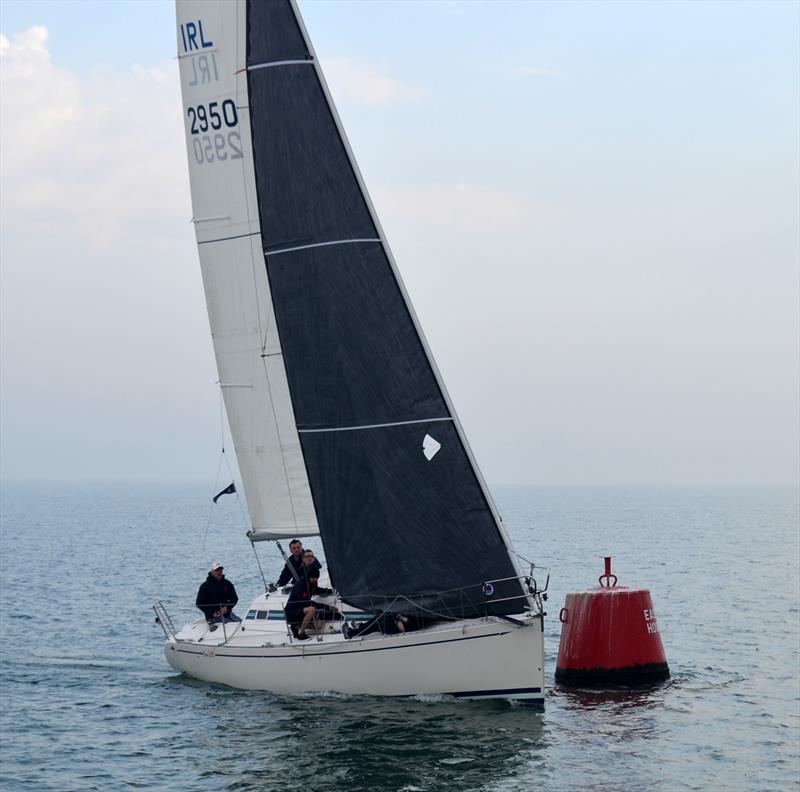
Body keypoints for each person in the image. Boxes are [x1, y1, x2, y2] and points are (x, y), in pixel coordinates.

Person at [284, 568, 333, 640]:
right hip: (292, 612)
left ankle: (296, 626)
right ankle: (301, 634)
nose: (314, 580)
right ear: (309, 577)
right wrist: (326, 607)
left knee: (319, 625)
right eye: (313, 578)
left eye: (316, 578)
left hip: (301, 611)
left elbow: (317, 590)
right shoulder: (301, 585)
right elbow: (306, 602)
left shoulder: (312, 583)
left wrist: (328, 591)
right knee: (312, 609)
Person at [196, 562, 240, 631]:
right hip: (213, 617)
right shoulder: (205, 586)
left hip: (228, 614)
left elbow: (234, 599)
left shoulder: (227, 583)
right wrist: (212, 613)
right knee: (231, 627)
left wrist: (227, 607)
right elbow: (199, 603)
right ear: (212, 572)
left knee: (242, 623)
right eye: (217, 570)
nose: (219, 572)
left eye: (220, 570)